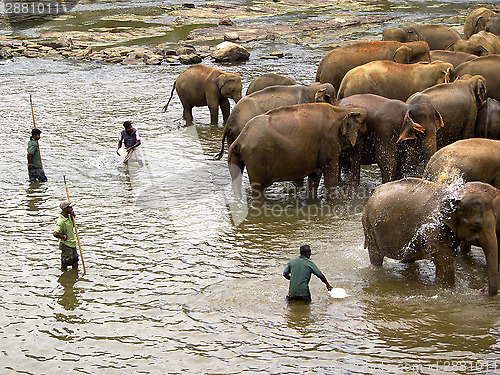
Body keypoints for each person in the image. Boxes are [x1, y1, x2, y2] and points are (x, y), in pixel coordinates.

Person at [53, 201, 79, 271]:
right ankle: (64, 276)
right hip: (66, 245)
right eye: (70, 207)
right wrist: (63, 237)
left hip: (73, 243)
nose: (72, 209)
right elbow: (55, 233)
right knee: (65, 263)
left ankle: (73, 276)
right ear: (65, 209)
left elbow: (73, 226)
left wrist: (74, 217)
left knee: (75, 262)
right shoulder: (61, 221)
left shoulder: (70, 217)